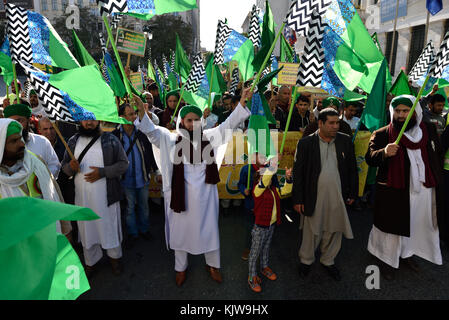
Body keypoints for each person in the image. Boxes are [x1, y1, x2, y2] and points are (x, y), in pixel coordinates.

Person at [133, 89, 252, 287]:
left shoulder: (210, 137)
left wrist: (241, 102)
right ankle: (181, 267)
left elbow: (229, 125)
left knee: (209, 230)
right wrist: (140, 111)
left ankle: (212, 265)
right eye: (188, 120)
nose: (192, 123)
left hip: (206, 196)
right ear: (181, 122)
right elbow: (152, 132)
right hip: (180, 198)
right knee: (181, 233)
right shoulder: (170, 139)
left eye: (196, 120)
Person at [365, 95, 443, 280]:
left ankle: (407, 254)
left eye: (405, 111)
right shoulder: (384, 133)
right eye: (398, 111)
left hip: (423, 191)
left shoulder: (429, 129)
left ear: (414, 112)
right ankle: (385, 260)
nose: (401, 115)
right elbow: (370, 158)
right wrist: (384, 152)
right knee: (390, 229)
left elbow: (437, 152)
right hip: (395, 191)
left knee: (414, 225)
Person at [293, 107, 358, 281]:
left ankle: (328, 260)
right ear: (320, 123)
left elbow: (352, 170)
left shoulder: (345, 141)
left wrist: (353, 193)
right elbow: (298, 173)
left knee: (334, 229)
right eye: (331, 123)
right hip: (313, 196)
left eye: (337, 122)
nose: (336, 126)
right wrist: (298, 199)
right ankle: (306, 261)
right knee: (311, 231)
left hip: (338, 196)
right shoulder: (306, 143)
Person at [61, 119, 129, 276]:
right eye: (85, 119)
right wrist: (70, 168)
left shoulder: (110, 139)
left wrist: (102, 172)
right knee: (87, 230)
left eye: (92, 119)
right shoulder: (73, 141)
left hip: (107, 198)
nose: (88, 123)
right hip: (83, 199)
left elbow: (123, 164)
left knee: (109, 228)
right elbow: (64, 168)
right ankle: (91, 262)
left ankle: (115, 259)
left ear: (98, 119)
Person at [0, 118, 71, 236]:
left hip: (45, 233)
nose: (22, 143)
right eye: (14, 141)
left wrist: (65, 229)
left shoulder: (36, 162)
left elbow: (55, 195)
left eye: (20, 138)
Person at [113, 103, 159, 247]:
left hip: (143, 178)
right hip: (125, 181)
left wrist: (156, 170)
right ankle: (133, 233)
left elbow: (150, 153)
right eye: (129, 114)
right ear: (121, 117)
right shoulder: (115, 136)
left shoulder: (141, 133)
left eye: (134, 113)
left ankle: (144, 230)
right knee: (130, 208)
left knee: (144, 207)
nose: (133, 117)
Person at [247, 156, 292, 293]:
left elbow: (286, 190)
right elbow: (264, 180)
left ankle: (264, 267)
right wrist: (271, 167)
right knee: (254, 253)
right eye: (262, 177)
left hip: (271, 226)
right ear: (258, 179)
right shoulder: (257, 190)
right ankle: (251, 276)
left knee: (266, 248)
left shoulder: (273, 190)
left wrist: (288, 179)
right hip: (260, 227)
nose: (266, 179)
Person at [3, 103, 60, 178]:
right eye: (10, 121)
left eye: (19, 121)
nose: (15, 125)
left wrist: (41, 180)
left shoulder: (42, 142)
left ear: (29, 121)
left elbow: (54, 166)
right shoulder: (2, 144)